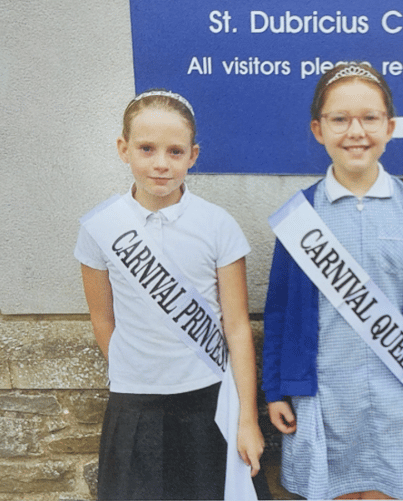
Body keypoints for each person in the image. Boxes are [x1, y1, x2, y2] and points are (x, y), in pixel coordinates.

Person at [262, 63, 403, 500]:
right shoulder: (302, 215)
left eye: (369, 118)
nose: (356, 131)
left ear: (389, 127)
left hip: (402, 397)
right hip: (328, 396)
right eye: (339, 119)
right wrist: (276, 389)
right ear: (318, 128)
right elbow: (278, 311)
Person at [75, 89, 264, 500]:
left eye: (175, 152)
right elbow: (102, 318)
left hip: (209, 400)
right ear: (124, 150)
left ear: (193, 155)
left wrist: (247, 419)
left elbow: (235, 326)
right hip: (134, 403)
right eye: (146, 148)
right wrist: (135, 368)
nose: (161, 163)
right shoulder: (100, 227)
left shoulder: (217, 225)